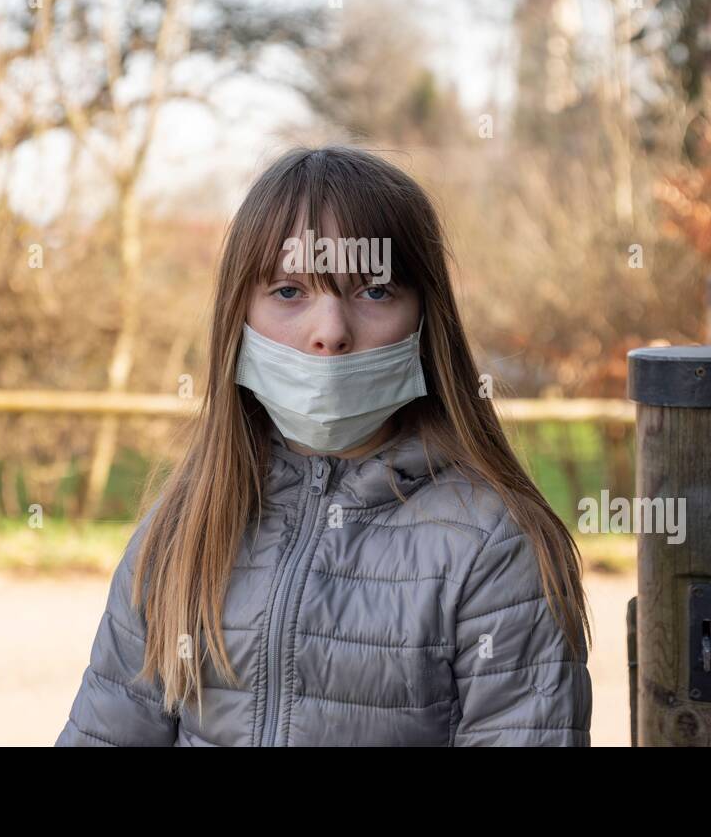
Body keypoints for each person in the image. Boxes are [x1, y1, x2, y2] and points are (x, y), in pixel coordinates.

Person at [55, 145, 592, 746]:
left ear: (425, 320)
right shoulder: (183, 531)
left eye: (375, 293)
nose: (330, 332)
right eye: (289, 292)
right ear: (239, 318)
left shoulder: (492, 546)